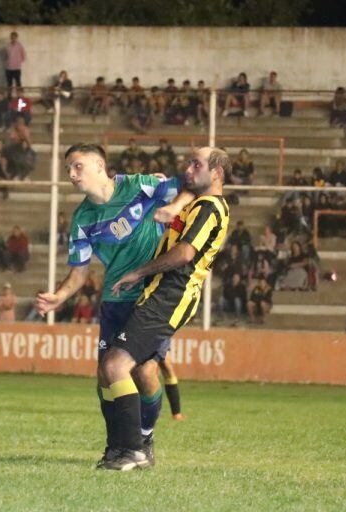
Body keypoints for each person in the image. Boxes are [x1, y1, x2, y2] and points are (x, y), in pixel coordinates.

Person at [34, 143, 196, 471]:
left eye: (77, 166)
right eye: (68, 169)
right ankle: (116, 447)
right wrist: (60, 296)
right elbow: (80, 272)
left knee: (143, 370)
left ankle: (143, 440)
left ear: (99, 166)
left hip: (150, 295)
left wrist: (172, 207)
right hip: (114, 298)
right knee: (105, 377)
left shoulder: (139, 185)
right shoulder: (82, 219)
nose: (71, 174)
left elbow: (190, 186)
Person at [101, 147, 230, 471]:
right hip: (160, 294)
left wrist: (139, 271)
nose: (188, 169)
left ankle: (132, 450)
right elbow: (185, 189)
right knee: (141, 371)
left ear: (216, 173)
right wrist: (172, 201)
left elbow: (185, 253)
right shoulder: (198, 202)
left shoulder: (209, 207)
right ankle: (141, 443)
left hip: (170, 296)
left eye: (196, 164)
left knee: (115, 365)